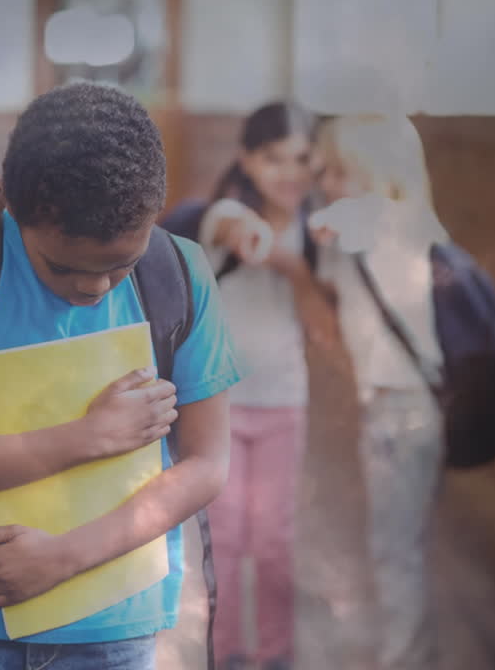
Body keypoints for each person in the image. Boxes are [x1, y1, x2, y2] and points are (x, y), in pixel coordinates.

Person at [0, 82, 240, 670]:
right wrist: (87, 437)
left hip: (112, 625)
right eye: (62, 266)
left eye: (120, 265)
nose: (93, 287)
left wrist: (62, 557)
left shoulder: (179, 275)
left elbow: (205, 464)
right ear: (11, 204)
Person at [168, 102, 319, 670]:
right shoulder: (223, 213)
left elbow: (323, 318)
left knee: (274, 539)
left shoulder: (319, 231)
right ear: (247, 161)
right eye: (274, 158)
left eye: (302, 159)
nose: (289, 173)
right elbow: (239, 231)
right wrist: (275, 252)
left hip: (283, 403)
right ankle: (226, 651)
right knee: (224, 540)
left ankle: (276, 653)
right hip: (220, 408)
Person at [311, 115, 449, 670]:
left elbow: (329, 222)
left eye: (337, 170)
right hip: (409, 408)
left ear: (369, 171)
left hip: (398, 412)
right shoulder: (413, 226)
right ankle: (413, 651)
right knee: (404, 545)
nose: (325, 183)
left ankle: (405, 659)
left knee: (395, 554)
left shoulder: (380, 222)